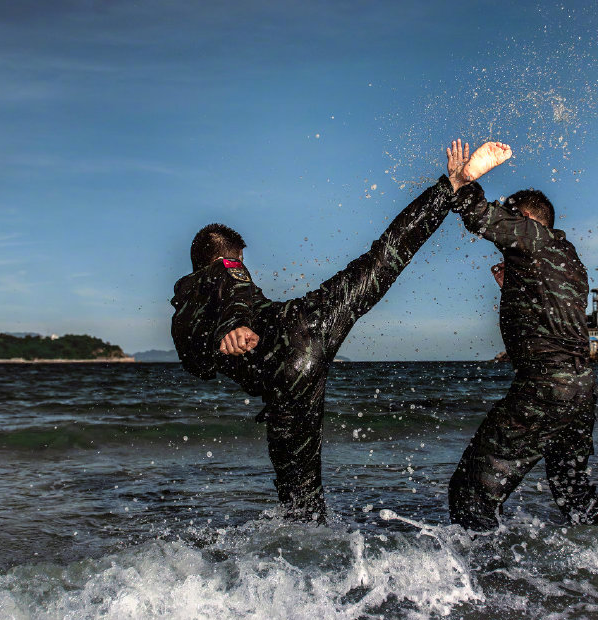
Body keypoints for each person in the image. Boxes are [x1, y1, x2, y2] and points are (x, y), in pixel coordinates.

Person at [171, 153, 461, 523]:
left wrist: (225, 336)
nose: (242, 268)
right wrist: (233, 327)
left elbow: (200, 365)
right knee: (382, 260)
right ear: (225, 258)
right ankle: (448, 188)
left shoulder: (182, 312)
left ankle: (309, 571)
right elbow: (237, 289)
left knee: (301, 505)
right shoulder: (224, 268)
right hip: (303, 327)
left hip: (284, 384)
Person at [445, 140, 598, 530]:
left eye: (513, 215)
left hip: (545, 384)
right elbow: (554, 316)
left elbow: (481, 217)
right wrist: (515, 286)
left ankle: (484, 584)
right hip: (581, 387)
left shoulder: (533, 237)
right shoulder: (569, 258)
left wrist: (463, 181)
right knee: (571, 487)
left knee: (470, 492)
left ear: (528, 219)